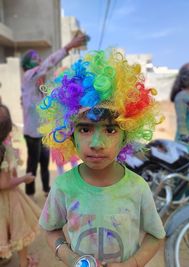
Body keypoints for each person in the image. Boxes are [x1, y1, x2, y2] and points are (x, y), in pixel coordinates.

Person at [38, 49, 166, 267]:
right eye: (85, 129)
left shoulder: (137, 188)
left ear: (127, 135)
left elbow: (156, 235)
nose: (97, 144)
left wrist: (131, 264)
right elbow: (50, 229)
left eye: (110, 130)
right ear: (70, 134)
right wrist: (70, 257)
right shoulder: (63, 186)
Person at [20, 33, 88, 197]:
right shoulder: (28, 76)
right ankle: (29, 194)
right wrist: (68, 47)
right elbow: (47, 65)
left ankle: (45, 189)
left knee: (44, 162)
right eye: (35, 58)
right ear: (29, 63)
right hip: (32, 133)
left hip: (42, 131)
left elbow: (46, 103)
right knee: (32, 164)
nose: (39, 60)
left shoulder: (38, 83)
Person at [0, 104, 41, 267]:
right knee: (20, 233)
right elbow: (3, 183)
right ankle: (24, 263)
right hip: (8, 200)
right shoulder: (5, 150)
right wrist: (25, 178)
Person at [170, 62, 189, 140]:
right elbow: (181, 122)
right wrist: (186, 137)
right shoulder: (181, 96)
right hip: (185, 142)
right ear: (188, 76)